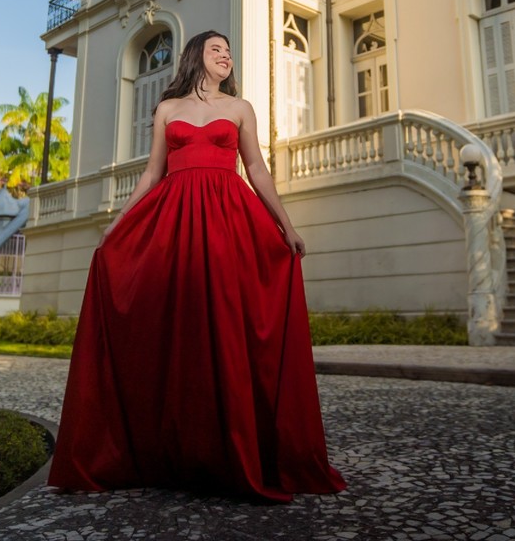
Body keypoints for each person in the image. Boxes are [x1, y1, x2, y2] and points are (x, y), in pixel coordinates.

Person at [48, 30, 346, 503]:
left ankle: (236, 448)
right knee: (178, 328)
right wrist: (117, 225)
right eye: (216, 49)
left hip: (230, 219)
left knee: (228, 327)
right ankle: (176, 449)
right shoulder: (167, 109)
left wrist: (284, 225)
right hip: (175, 219)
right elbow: (152, 172)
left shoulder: (241, 108)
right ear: (196, 57)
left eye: (229, 51)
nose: (226, 55)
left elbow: (258, 169)